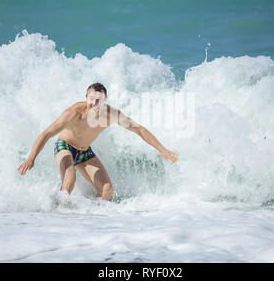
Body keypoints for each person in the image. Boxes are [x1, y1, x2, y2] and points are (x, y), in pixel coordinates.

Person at [17, 82, 178, 201]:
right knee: (69, 180)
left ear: (105, 100)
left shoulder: (111, 115)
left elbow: (139, 129)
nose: (95, 103)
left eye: (99, 100)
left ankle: (90, 218)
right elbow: (46, 134)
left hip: (85, 152)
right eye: (91, 99)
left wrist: (162, 149)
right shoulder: (73, 113)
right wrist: (31, 158)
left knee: (107, 191)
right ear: (86, 98)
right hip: (65, 146)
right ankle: (58, 216)